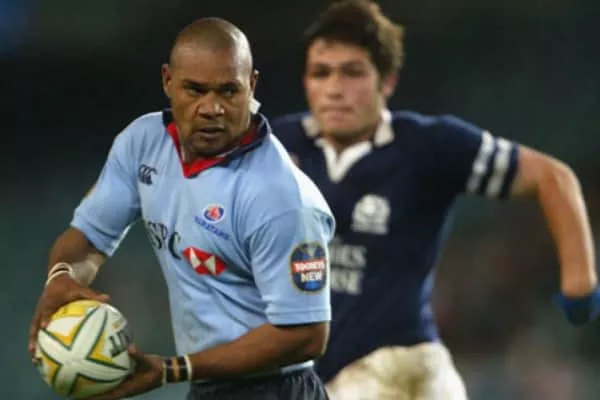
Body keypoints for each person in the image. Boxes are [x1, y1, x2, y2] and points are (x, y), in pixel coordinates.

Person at [271, 1, 600, 399]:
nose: (334, 89)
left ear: (386, 82)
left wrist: (580, 280)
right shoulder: (275, 148)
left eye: (352, 72)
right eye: (321, 73)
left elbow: (553, 177)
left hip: (405, 360)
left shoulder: (428, 146)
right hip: (311, 376)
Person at [28, 17, 336, 400]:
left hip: (277, 390)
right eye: (195, 90)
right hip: (208, 384)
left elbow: (307, 335)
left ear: (251, 85)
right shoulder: (143, 144)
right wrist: (62, 276)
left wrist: (173, 369)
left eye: (228, 91)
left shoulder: (280, 199)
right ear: (167, 81)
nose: (212, 108)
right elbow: (89, 239)